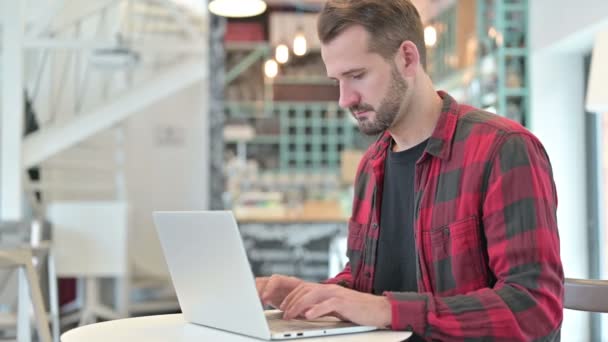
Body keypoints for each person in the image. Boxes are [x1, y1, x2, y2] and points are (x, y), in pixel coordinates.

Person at [256, 0, 564, 340]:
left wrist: (389, 310)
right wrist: (316, 297)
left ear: (407, 58)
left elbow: (534, 307)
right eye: (337, 81)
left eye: (356, 75)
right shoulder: (371, 167)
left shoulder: (503, 149)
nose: (344, 99)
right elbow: (371, 282)